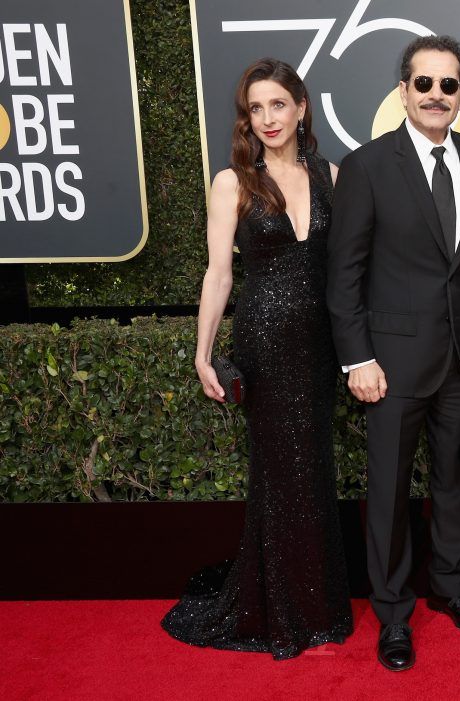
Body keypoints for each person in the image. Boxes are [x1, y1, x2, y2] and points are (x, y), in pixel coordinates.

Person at [162, 58, 352, 659]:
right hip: (265, 342)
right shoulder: (233, 182)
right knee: (279, 474)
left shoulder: (333, 177)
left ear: (300, 107)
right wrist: (203, 353)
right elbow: (219, 275)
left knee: (313, 470)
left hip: (321, 345)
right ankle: (282, 614)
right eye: (255, 109)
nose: (267, 118)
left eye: (277, 104)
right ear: (247, 119)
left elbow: (350, 270)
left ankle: (315, 605)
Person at [326, 35, 460, 672]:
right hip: (390, 364)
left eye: (448, 85)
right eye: (423, 83)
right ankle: (394, 614)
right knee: (389, 493)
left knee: (457, 485)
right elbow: (345, 275)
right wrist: (356, 358)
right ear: (403, 90)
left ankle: (451, 589)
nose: (435, 95)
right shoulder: (368, 166)